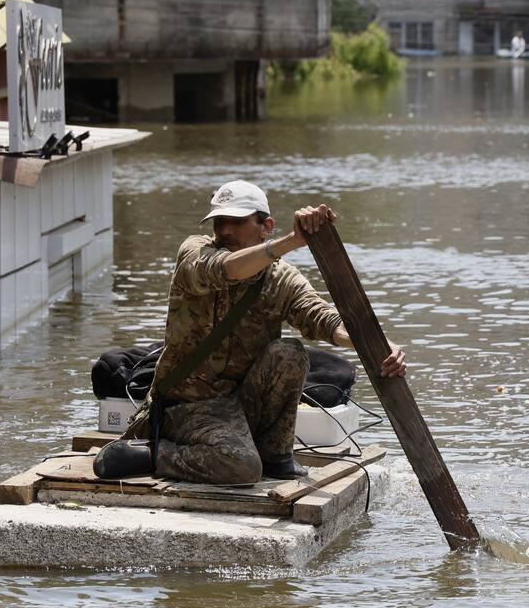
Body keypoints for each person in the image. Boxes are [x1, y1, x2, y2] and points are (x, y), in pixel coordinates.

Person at [94, 180, 406, 485]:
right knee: (242, 467)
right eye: (220, 222)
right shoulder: (196, 251)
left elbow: (324, 319)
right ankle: (152, 455)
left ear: (265, 225)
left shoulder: (281, 278)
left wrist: (380, 346)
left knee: (290, 353)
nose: (225, 231)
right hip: (187, 404)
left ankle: (276, 455)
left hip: (240, 404)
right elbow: (226, 269)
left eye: (237, 221)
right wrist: (291, 241)